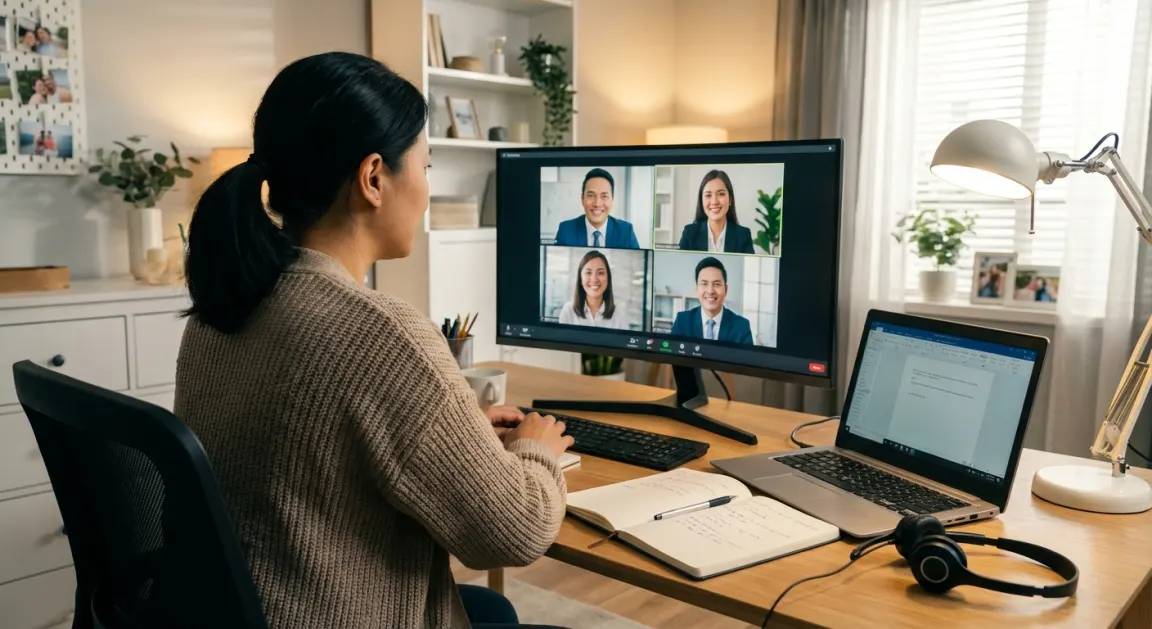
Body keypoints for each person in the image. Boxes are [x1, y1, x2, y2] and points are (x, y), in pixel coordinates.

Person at [177, 52, 572, 629]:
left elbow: (303, 449)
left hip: (247, 608)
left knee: (491, 609)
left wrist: (456, 431)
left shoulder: (221, 306)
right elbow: (517, 530)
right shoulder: (383, 336)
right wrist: (536, 448)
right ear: (373, 178)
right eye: (427, 168)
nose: (428, 191)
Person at [670, 257, 753, 344]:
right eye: (704, 284)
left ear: (726, 290)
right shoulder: (682, 321)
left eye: (717, 284)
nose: (710, 291)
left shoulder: (742, 326)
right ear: (697, 289)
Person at [552, 168, 640, 248]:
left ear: (612, 199)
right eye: (591, 196)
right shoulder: (566, 230)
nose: (597, 204)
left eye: (604, 196)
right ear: (582, 199)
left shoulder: (626, 231)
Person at [677, 170, 754, 254]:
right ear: (701, 200)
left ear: (730, 200)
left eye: (721, 194)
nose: (714, 201)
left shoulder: (743, 235)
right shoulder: (689, 233)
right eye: (708, 195)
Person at [557, 250, 629, 329]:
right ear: (581, 278)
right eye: (588, 273)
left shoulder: (619, 314)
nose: (594, 279)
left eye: (600, 273)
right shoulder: (568, 310)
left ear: (608, 278)